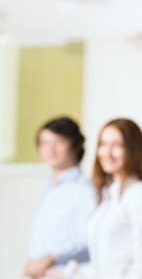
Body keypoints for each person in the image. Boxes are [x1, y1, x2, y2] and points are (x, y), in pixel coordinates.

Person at [48, 118, 142, 279]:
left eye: (117, 145)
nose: (107, 152)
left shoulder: (139, 194)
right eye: (103, 144)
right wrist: (66, 273)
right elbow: (105, 263)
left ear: (133, 149)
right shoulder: (108, 195)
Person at [23, 116, 96, 279]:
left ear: (76, 147)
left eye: (59, 142)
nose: (50, 149)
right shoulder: (51, 188)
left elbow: (91, 240)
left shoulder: (84, 189)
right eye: (44, 143)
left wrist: (51, 258)